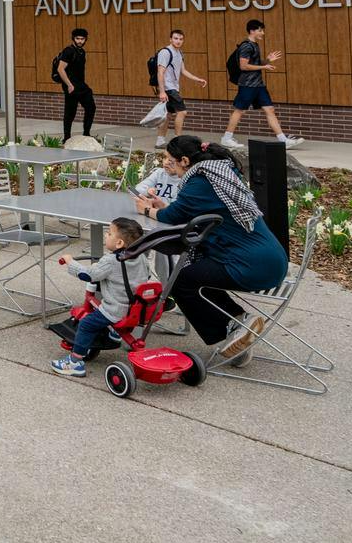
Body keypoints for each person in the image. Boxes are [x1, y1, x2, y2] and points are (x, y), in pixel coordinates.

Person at [136, 136, 288, 359]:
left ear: (185, 160)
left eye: (170, 160)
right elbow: (191, 209)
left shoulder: (199, 182)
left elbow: (172, 216)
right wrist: (167, 206)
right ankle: (237, 329)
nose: (167, 164)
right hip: (270, 258)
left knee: (180, 282)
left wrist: (147, 210)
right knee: (197, 276)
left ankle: (235, 325)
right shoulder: (217, 173)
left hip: (251, 264)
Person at [50, 218, 158, 378]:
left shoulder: (111, 261)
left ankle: (74, 363)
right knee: (110, 289)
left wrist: (70, 262)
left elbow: (88, 275)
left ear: (119, 243)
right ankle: (114, 331)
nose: (106, 236)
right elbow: (146, 275)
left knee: (86, 324)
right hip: (136, 307)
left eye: (109, 233)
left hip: (116, 310)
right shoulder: (140, 257)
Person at [221, 19, 303, 147]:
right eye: (260, 30)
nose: (263, 33)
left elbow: (254, 64)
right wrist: (264, 67)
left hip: (258, 85)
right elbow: (244, 66)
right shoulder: (246, 46)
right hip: (248, 84)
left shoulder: (254, 45)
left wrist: (267, 61)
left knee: (270, 109)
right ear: (252, 31)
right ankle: (226, 138)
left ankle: (283, 140)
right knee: (240, 111)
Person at [152, 28, 206, 148]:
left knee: (167, 115)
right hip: (167, 88)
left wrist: (197, 79)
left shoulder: (179, 53)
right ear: (170, 39)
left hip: (173, 88)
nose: (178, 41)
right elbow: (160, 72)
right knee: (182, 112)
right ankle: (178, 141)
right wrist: (162, 91)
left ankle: (160, 141)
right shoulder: (165, 52)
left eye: (181, 39)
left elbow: (183, 70)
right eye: (176, 38)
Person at [54, 28, 94, 142]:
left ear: (85, 39)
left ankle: (86, 133)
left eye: (82, 39)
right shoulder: (68, 51)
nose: (80, 41)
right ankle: (66, 137)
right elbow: (60, 69)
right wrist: (69, 85)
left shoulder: (82, 51)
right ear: (73, 39)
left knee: (91, 107)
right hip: (71, 85)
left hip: (81, 85)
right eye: (77, 39)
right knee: (70, 111)